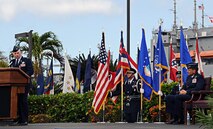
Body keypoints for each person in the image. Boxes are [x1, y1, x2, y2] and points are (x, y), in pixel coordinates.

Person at [9, 46, 34, 126]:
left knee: (23, 101)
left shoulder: (26, 61)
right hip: (15, 85)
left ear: (21, 53)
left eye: (18, 53)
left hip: (24, 84)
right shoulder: (12, 62)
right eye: (15, 53)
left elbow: (31, 71)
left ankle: (24, 120)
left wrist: (23, 76)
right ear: (13, 54)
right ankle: (17, 119)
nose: (16, 54)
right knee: (16, 101)